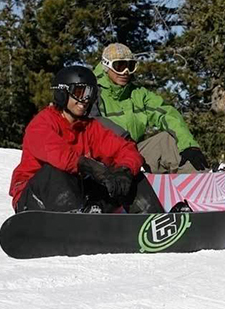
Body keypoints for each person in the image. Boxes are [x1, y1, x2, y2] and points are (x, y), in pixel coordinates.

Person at [9, 66, 164, 214]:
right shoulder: (42, 123)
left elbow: (126, 149)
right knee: (56, 171)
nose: (85, 100)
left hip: (78, 196)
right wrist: (90, 166)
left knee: (130, 177)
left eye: (90, 94)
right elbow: (59, 155)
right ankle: (71, 220)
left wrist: (125, 171)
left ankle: (155, 222)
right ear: (62, 93)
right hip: (36, 198)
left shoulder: (90, 127)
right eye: (79, 92)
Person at [89, 43, 209, 174]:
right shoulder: (93, 91)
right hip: (106, 160)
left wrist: (189, 146)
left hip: (136, 153)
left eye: (130, 66)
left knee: (167, 141)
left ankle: (202, 183)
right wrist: (125, 144)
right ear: (106, 66)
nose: (125, 71)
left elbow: (166, 114)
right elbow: (93, 123)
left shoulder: (139, 94)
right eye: (119, 66)